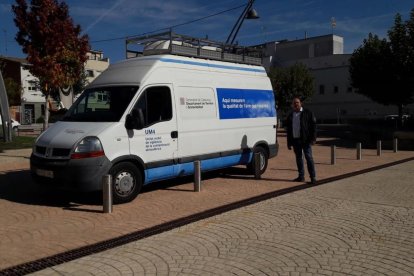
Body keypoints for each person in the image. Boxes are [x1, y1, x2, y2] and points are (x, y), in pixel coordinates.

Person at [286, 96, 317, 184]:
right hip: (296, 141)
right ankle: (301, 176)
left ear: (301, 103)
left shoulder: (307, 113)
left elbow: (313, 126)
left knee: (309, 158)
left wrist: (313, 138)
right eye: (294, 103)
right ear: (292, 105)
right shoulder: (291, 115)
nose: (296, 104)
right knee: (299, 159)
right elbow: (289, 130)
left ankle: (313, 177)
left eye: (297, 102)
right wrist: (289, 143)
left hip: (306, 140)